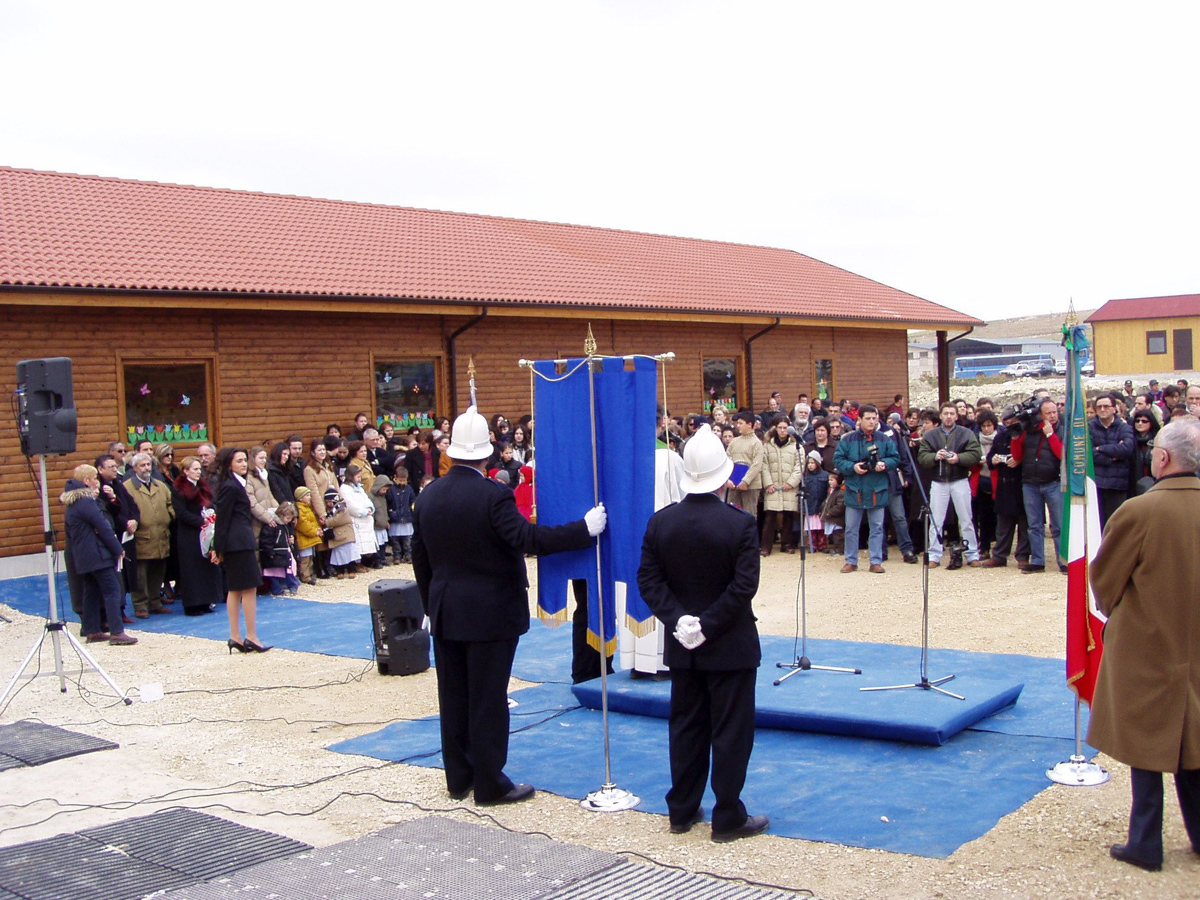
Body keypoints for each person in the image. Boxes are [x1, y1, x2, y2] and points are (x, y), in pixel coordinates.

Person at [411, 406, 605, 805]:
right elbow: (527, 538)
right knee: (488, 697)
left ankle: (459, 776)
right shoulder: (492, 494)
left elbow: (420, 557)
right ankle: (490, 782)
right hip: (489, 612)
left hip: (447, 608)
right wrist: (582, 531)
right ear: (485, 452)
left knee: (454, 696)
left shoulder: (429, 495)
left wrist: (433, 603)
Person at [637, 424, 768, 842]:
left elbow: (649, 581)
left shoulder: (661, 523)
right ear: (722, 477)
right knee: (730, 730)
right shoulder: (741, 525)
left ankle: (682, 809)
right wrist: (706, 625)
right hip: (728, 642)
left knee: (686, 725)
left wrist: (680, 621)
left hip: (683, 644)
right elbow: (743, 586)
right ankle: (727, 815)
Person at [1086, 418, 1200, 872]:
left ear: (1164, 458)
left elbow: (1105, 581)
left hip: (1149, 644)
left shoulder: (1139, 511)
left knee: (1146, 745)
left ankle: (1145, 843)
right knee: (1194, 741)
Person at [61, 465, 137, 645]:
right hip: (97, 554)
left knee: (91, 591)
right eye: (95, 477)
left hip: (82, 556)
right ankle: (117, 631)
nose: (97, 481)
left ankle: (92, 630)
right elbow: (103, 527)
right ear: (86, 481)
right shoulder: (86, 502)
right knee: (112, 590)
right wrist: (118, 549)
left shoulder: (71, 504)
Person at [212, 448, 271, 653]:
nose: (244, 464)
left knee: (236, 589)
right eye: (239, 461)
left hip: (238, 540)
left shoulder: (237, 483)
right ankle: (249, 636)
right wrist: (217, 547)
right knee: (247, 589)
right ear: (230, 464)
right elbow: (223, 518)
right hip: (237, 542)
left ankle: (236, 636)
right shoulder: (231, 486)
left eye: (245, 460)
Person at [917, 402, 983, 568]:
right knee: (936, 520)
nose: (948, 416)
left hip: (959, 480)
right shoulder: (931, 436)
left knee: (966, 519)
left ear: (956, 416)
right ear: (940, 416)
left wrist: (959, 458)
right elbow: (922, 456)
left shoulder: (966, 433)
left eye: (952, 413)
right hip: (939, 482)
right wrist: (934, 457)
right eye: (945, 413)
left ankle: (972, 553)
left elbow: (976, 454)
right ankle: (934, 554)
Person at [833, 405, 898, 573]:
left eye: (874, 418)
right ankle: (851, 560)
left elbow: (895, 458)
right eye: (868, 418)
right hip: (855, 489)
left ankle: (876, 561)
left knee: (877, 527)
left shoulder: (884, 439)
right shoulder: (847, 439)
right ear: (859, 420)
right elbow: (838, 460)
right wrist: (852, 467)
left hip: (877, 489)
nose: (871, 421)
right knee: (851, 528)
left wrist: (884, 464)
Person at [1011, 398, 1065, 574]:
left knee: (1058, 525)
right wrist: (1015, 437)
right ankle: (1037, 561)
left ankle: (1063, 560)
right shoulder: (1029, 430)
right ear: (1040, 415)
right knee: (1034, 525)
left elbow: (1061, 454)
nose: (1053, 416)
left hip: (1053, 482)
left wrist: (1050, 434)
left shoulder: (1061, 429)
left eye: (1054, 412)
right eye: (1048, 413)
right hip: (1030, 482)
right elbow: (1017, 455)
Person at [125, 451, 175, 617]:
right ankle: (140, 605)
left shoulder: (160, 486)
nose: (146, 468)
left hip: (161, 535)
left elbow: (170, 503)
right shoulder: (127, 487)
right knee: (140, 574)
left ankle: (155, 601)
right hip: (141, 538)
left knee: (158, 572)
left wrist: (169, 516)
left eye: (148, 465)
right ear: (134, 468)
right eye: (142, 465)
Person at [172, 456, 221, 615]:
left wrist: (211, 516)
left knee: (206, 566)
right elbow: (181, 513)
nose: (198, 472)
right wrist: (201, 521)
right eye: (194, 469)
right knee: (192, 570)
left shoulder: (203, 486)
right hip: (189, 534)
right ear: (185, 471)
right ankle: (192, 604)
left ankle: (206, 600)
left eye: (199, 469)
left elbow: (210, 504)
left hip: (205, 532)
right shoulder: (179, 489)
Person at [1088, 394, 1135, 530]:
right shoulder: (1089, 428)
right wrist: (1111, 457)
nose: (1102, 409)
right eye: (1099, 407)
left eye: (1106, 406)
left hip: (1117, 484)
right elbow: (1088, 453)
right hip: (1096, 484)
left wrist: (1101, 448)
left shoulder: (1124, 428)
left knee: (1116, 525)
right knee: (1097, 526)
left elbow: (1126, 449)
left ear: (1114, 409)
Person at [759, 415, 801, 555]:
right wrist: (768, 484)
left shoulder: (796, 446)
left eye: (785, 428)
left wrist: (791, 482)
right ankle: (766, 546)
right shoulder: (767, 446)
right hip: (773, 486)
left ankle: (787, 544)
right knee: (770, 517)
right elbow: (764, 466)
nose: (782, 431)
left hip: (789, 486)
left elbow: (799, 466)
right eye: (780, 428)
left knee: (788, 516)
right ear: (775, 429)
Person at [724, 411, 763, 514]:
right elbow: (726, 460)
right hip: (733, 483)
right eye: (738, 423)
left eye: (741, 423)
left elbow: (757, 464)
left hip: (750, 485)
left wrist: (745, 481)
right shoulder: (734, 441)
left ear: (749, 424)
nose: (738, 425)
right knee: (732, 512)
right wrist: (727, 479)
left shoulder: (756, 443)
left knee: (748, 514)